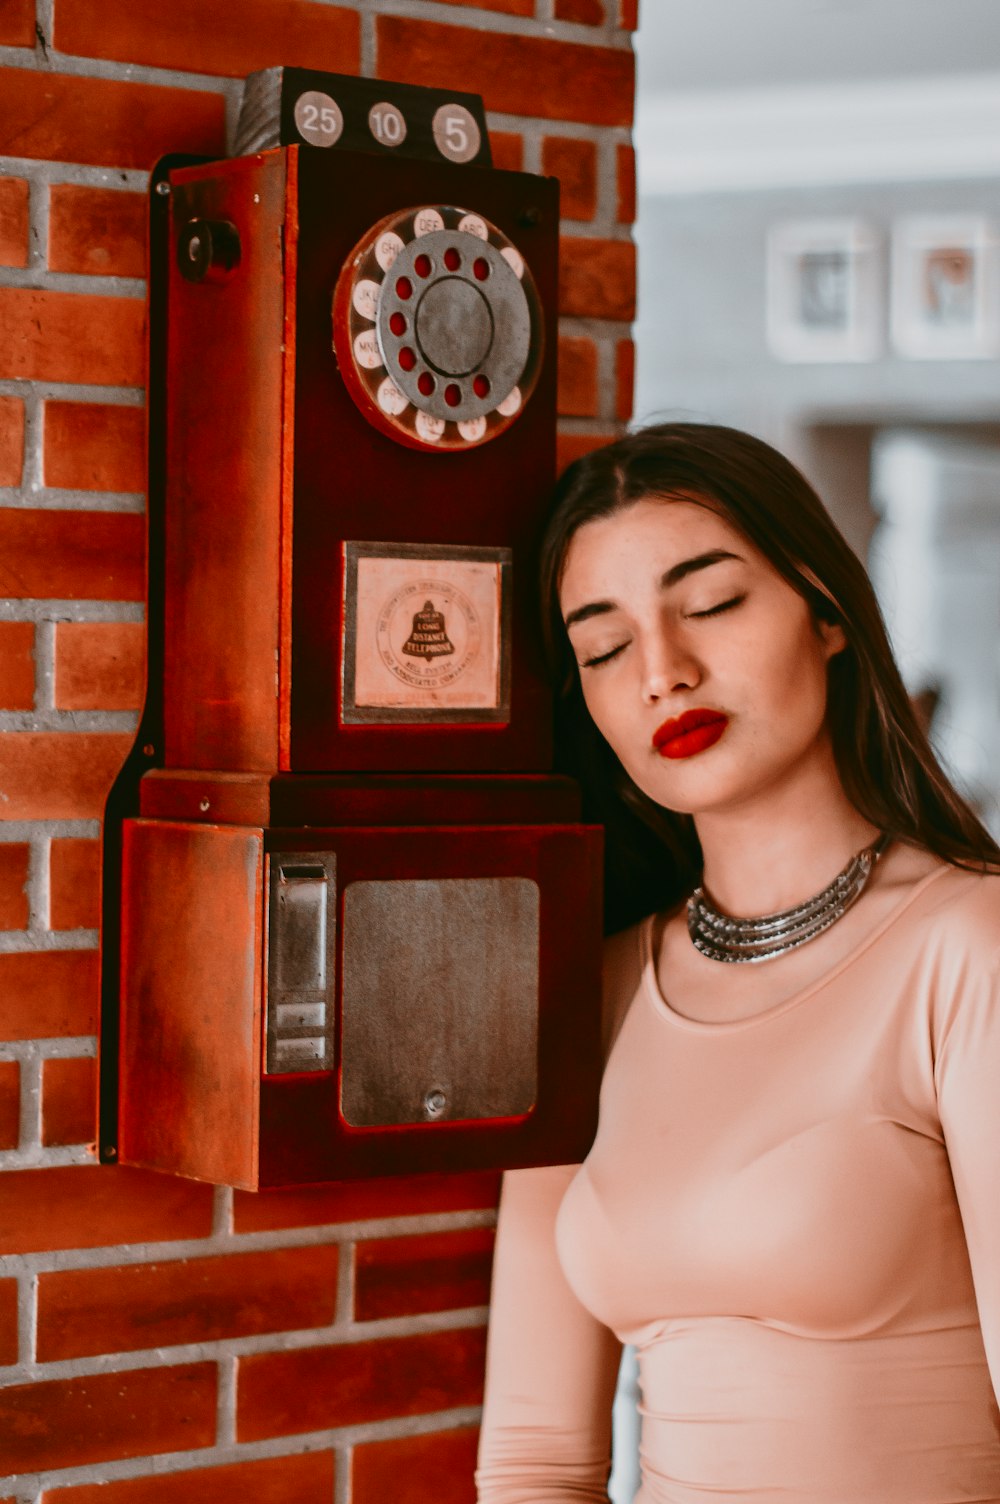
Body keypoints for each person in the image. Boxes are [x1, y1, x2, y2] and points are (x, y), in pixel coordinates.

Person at [474, 423, 1000, 1504]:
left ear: (825, 612)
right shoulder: (585, 996)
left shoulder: (966, 949)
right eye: (606, 647)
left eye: (708, 603)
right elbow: (532, 1457)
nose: (664, 671)